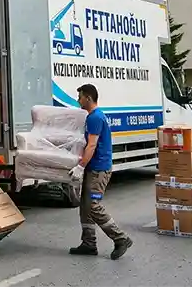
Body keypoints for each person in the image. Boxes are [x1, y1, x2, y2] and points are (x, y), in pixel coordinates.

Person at [70, 83, 133, 260]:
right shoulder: (93, 116)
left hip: (99, 169)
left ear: (88, 98)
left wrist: (80, 166)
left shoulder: (95, 118)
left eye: (80, 96)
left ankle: (121, 238)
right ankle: (89, 244)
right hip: (94, 168)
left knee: (94, 206)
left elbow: (91, 145)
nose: (78, 100)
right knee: (85, 207)